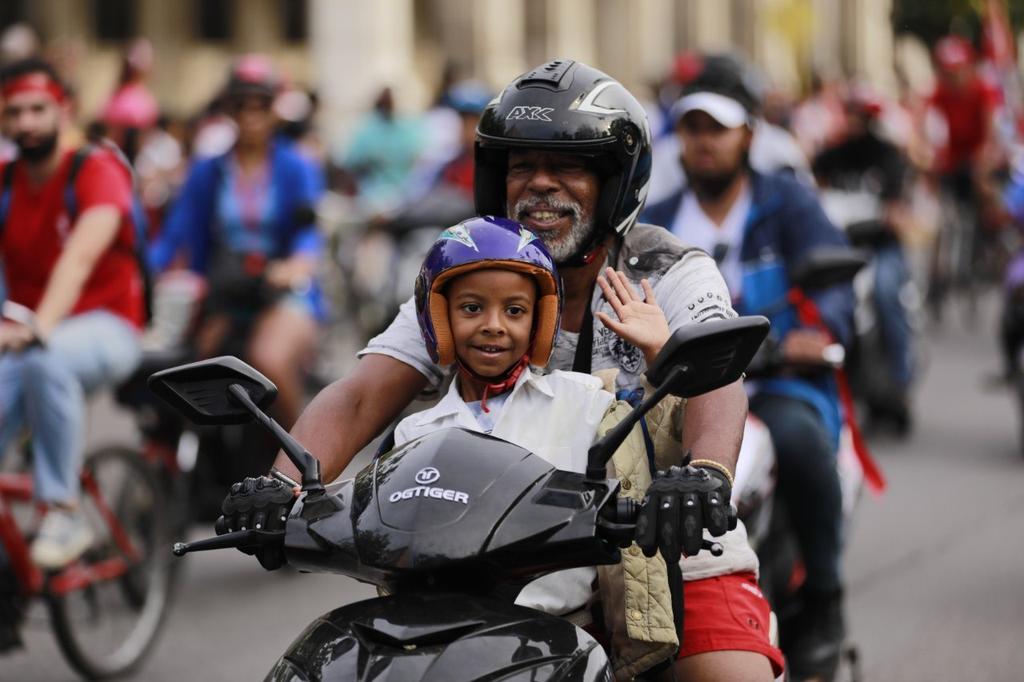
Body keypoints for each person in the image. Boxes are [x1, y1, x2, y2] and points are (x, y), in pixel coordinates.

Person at [224, 59, 784, 681]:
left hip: (661, 543)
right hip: (491, 562)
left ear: (614, 183)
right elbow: (362, 392)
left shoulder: (668, 269)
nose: (540, 184)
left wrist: (704, 476)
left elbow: (715, 377)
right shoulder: (466, 276)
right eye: (522, 166)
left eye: (567, 166)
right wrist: (281, 487)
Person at [642, 60, 854, 679]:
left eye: (718, 128)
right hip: (678, 387)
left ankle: (825, 599)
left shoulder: (788, 203)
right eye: (692, 127)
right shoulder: (658, 218)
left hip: (775, 381)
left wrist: (819, 329)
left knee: (801, 443)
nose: (704, 141)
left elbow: (833, 282)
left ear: (749, 135)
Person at [0, 57, 144, 568]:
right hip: (23, 336)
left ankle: (63, 509)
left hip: (108, 327)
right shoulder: (6, 181)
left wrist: (38, 326)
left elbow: (80, 256)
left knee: (48, 357)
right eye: (14, 111)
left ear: (65, 111)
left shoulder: (96, 168)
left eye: (37, 109)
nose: (26, 122)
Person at [148, 54, 324, 429]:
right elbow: (177, 232)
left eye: (261, 105)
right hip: (225, 292)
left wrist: (296, 264)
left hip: (281, 291)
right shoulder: (208, 169)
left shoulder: (297, 167)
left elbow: (308, 232)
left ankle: (303, 453)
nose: (250, 115)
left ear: (274, 109)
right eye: (241, 105)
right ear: (228, 109)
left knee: (269, 359)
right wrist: (144, 273)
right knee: (189, 371)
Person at [813, 84, 916, 433]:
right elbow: (811, 190)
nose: (856, 122)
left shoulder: (889, 157)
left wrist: (887, 218)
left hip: (879, 250)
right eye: (852, 114)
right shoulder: (832, 155)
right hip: (840, 250)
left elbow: (898, 211)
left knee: (886, 294)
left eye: (862, 116)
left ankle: (900, 383)